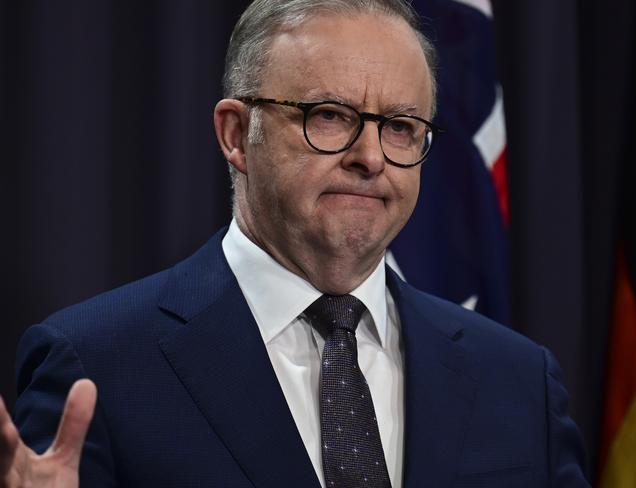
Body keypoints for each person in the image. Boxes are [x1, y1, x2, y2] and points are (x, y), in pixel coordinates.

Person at [0, 0, 590, 486]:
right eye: (329, 116)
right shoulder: (96, 365)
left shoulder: (520, 381)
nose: (370, 157)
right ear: (236, 134)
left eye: (400, 127)